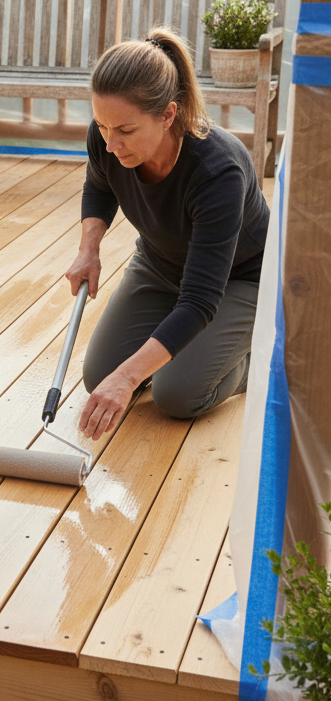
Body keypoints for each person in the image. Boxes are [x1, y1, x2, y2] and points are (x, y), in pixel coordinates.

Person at [66, 26, 270, 442]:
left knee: (177, 395)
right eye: (102, 126)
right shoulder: (106, 136)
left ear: (168, 115)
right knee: (98, 377)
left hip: (239, 279)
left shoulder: (218, 171)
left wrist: (128, 379)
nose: (110, 143)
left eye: (124, 131)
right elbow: (100, 185)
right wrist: (89, 248)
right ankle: (181, 351)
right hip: (160, 265)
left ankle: (256, 355)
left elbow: (199, 299)